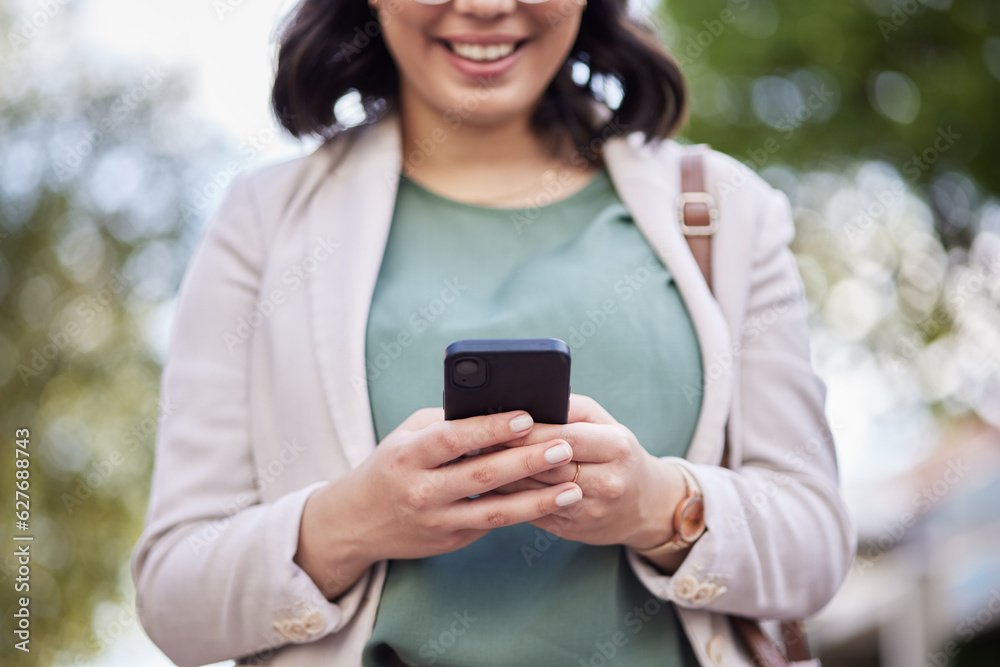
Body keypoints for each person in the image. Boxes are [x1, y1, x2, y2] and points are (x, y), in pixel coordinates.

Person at [130, 0, 856, 664]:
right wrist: (354, 522)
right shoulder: (261, 224)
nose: (483, 7)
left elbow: (816, 546)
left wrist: (656, 505)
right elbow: (175, 594)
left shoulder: (724, 211)